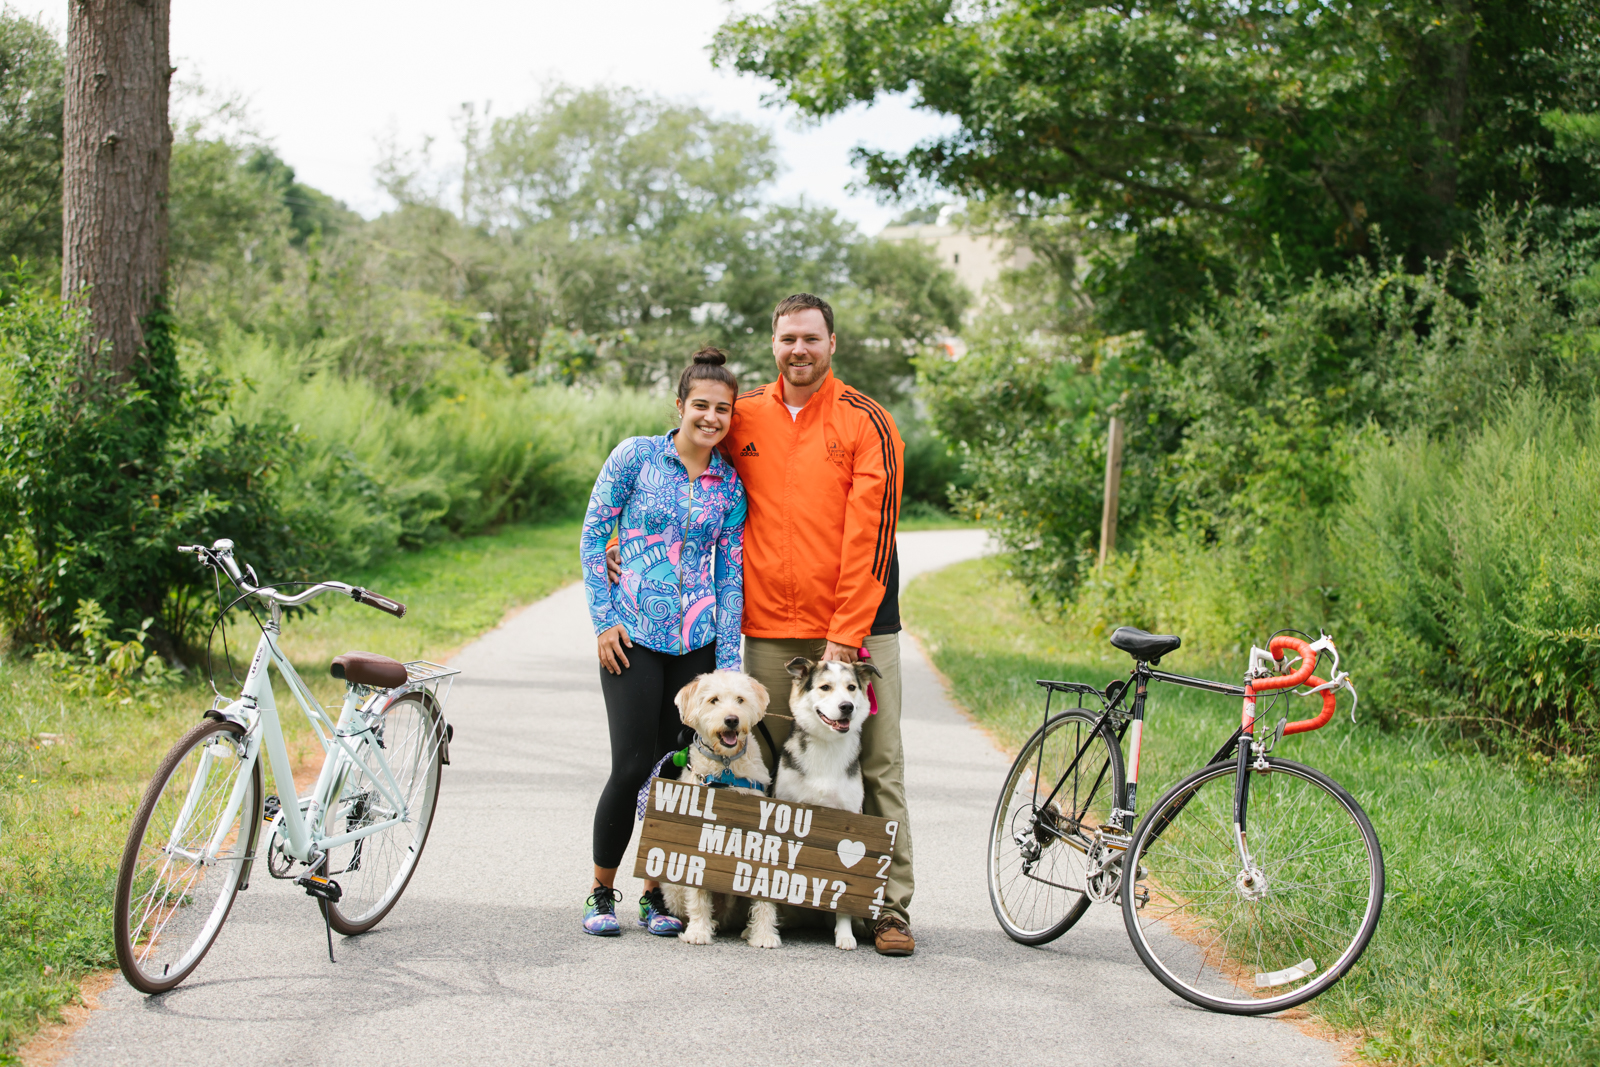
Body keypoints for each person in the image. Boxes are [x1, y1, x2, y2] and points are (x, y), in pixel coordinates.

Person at [728, 293, 915, 956]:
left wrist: (845, 629)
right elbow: (690, 470)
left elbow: (874, 532)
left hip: (858, 629)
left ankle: (887, 908)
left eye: (811, 338)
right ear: (773, 344)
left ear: (832, 343)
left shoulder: (867, 421)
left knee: (877, 758)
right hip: (771, 627)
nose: (799, 350)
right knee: (770, 763)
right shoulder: (742, 412)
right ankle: (775, 900)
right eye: (787, 339)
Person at [578, 347, 745, 937]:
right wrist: (603, 620)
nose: (711, 417)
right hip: (632, 640)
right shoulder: (636, 457)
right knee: (629, 767)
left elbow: (729, 576)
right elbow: (595, 533)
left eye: (722, 409)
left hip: (696, 648)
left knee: (671, 771)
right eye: (701, 405)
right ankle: (601, 892)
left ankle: (654, 896)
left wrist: (726, 671)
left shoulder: (730, 485)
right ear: (680, 405)